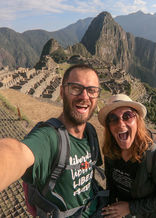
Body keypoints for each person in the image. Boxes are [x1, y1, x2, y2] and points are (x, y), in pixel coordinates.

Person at [0, 64, 104, 217]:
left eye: (92, 90)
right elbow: (16, 153)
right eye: (75, 88)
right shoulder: (49, 138)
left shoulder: (90, 132)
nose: (84, 96)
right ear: (62, 92)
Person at [98, 94, 156, 218]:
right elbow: (111, 185)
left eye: (127, 116)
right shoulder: (110, 153)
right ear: (109, 126)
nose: (120, 123)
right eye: (113, 118)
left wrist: (130, 208)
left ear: (137, 120)